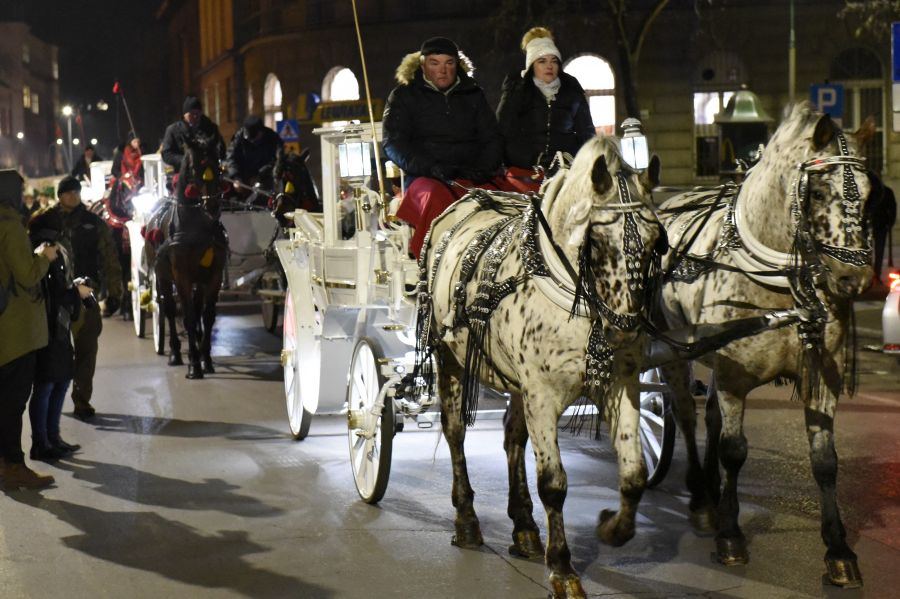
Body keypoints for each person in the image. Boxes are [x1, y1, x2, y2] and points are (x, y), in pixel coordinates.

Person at [383, 36, 504, 258]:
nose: (443, 70)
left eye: (449, 63)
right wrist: (430, 168)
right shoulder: (404, 95)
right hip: (426, 177)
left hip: (470, 174)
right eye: (435, 63)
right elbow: (394, 143)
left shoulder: (473, 94)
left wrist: (485, 166)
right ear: (422, 65)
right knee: (436, 198)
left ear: (457, 65)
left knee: (505, 200)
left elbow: (492, 137)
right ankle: (434, 261)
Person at [28, 176, 123, 421]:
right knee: (55, 352)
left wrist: (115, 292)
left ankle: (82, 400)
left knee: (86, 347)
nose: (72, 196)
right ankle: (51, 405)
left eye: (75, 192)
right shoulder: (42, 220)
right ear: (59, 195)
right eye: (67, 192)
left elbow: (110, 258)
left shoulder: (93, 222)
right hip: (53, 296)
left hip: (85, 293)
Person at [0, 169, 59, 488]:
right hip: (15, 330)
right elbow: (26, 274)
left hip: (3, 324)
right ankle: (13, 465)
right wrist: (44, 257)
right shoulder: (9, 225)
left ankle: (3, 462)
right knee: (13, 401)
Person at [496, 27, 594, 192]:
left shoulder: (572, 91)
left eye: (554, 60)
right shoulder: (517, 92)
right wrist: (533, 159)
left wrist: (570, 159)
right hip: (524, 174)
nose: (549, 66)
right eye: (542, 61)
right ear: (531, 65)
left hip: (566, 173)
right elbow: (503, 133)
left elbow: (587, 135)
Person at [27, 225, 92, 461]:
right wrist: (77, 293)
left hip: (59, 329)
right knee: (46, 385)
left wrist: (74, 289)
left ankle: (52, 438)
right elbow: (51, 295)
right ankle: (41, 443)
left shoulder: (56, 255)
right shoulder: (40, 256)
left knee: (61, 382)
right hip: (47, 330)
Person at [161, 95, 226, 172]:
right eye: (191, 114)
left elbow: (221, 148)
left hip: (210, 171)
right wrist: (185, 160)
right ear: (185, 115)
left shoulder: (211, 128)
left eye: (197, 113)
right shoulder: (173, 130)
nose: (195, 116)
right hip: (184, 172)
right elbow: (166, 153)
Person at [225, 114, 284, 195]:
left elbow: (277, 160)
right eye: (249, 138)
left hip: (265, 178)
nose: (252, 141)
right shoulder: (239, 137)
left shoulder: (273, 138)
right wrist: (236, 177)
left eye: (254, 138)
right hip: (242, 177)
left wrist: (259, 176)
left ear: (261, 132)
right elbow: (230, 157)